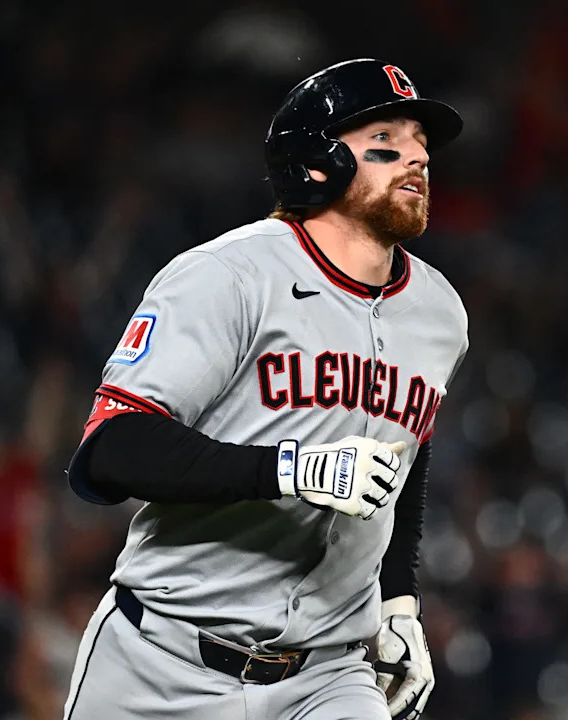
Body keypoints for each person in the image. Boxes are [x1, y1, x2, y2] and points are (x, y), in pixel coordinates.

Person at [62, 58, 468, 720]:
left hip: (328, 678)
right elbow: (113, 447)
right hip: (163, 663)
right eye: (386, 143)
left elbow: (404, 461)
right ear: (317, 163)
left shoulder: (440, 313)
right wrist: (288, 469)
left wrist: (398, 606)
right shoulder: (228, 276)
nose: (417, 158)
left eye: (422, 143)